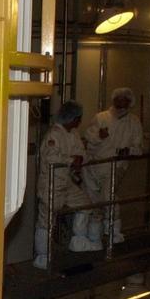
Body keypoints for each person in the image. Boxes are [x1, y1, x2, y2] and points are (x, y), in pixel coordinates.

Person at [34, 101, 99, 267]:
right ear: (71, 118)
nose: (79, 121)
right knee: (46, 220)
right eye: (78, 118)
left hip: (67, 182)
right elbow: (50, 158)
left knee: (85, 205)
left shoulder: (73, 134)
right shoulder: (54, 135)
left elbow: (81, 153)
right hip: (52, 183)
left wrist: (79, 159)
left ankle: (79, 241)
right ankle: (42, 257)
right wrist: (71, 160)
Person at [82, 87, 143, 244]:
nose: (121, 101)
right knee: (93, 203)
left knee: (109, 199)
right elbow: (88, 137)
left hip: (115, 166)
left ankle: (114, 235)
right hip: (93, 166)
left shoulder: (134, 122)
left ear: (130, 102)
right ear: (113, 100)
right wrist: (99, 136)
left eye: (125, 99)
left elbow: (139, 148)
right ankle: (94, 239)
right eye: (118, 98)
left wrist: (128, 150)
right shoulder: (101, 117)